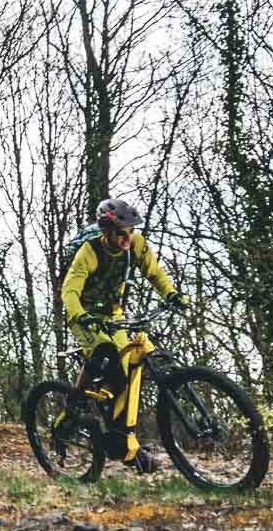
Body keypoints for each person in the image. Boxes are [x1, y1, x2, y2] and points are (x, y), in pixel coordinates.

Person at [60, 198, 189, 469]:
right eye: (121, 233)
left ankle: (122, 442)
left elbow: (154, 273)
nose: (127, 238)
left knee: (128, 374)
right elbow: (69, 291)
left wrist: (172, 294)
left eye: (131, 231)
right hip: (84, 316)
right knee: (106, 355)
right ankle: (75, 404)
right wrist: (81, 315)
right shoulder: (90, 251)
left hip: (115, 316)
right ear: (106, 231)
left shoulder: (136, 245)